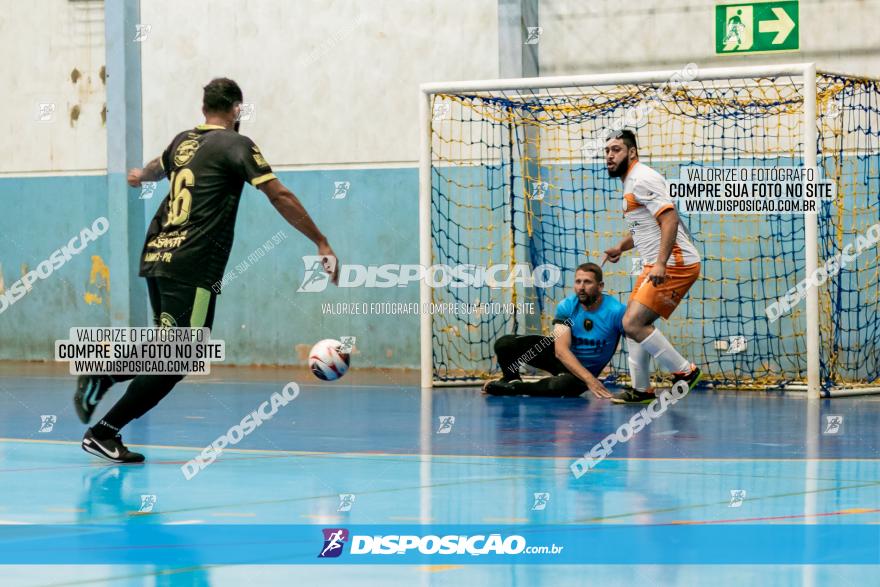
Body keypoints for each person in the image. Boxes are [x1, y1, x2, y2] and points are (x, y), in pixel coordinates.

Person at [74, 78, 338, 463]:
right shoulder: (237, 144)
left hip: (158, 253)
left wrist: (138, 177)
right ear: (236, 110)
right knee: (180, 357)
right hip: (192, 263)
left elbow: (157, 168)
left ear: (203, 110)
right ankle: (104, 432)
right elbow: (278, 194)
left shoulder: (183, 140)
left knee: (169, 348)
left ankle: (105, 374)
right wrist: (320, 240)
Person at [601, 130, 702, 404]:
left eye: (616, 149)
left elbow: (669, 220)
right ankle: (642, 390)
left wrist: (660, 263)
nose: (610, 155)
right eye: (607, 150)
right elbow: (647, 229)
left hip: (674, 264)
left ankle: (685, 372)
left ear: (632, 152)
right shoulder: (631, 182)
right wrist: (621, 247)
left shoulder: (643, 178)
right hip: (656, 264)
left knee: (633, 322)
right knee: (633, 324)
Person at [483, 262, 622, 399]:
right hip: (561, 360)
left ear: (600, 286)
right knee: (505, 344)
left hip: (583, 374)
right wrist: (591, 381)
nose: (581, 287)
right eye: (578, 282)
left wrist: (590, 380)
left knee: (561, 386)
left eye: (587, 282)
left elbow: (637, 338)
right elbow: (561, 351)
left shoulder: (616, 311)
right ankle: (511, 379)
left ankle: (512, 389)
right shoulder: (567, 306)